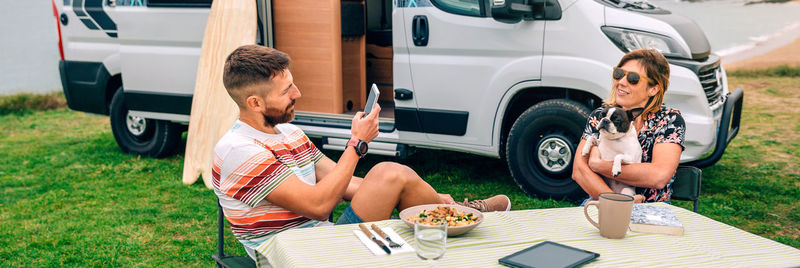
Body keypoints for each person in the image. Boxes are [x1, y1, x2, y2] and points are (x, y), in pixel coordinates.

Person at [212, 44, 511, 266]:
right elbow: (317, 206)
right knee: (388, 178)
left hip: (325, 239)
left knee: (390, 174)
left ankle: (451, 210)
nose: (298, 93)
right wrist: (356, 145)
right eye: (287, 90)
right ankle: (457, 215)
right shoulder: (240, 152)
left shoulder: (290, 134)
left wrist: (420, 193)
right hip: (295, 256)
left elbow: (346, 184)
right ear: (255, 102)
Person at [572, 48, 686, 204]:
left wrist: (598, 165)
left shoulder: (668, 120)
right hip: (602, 200)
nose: (621, 82)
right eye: (619, 74)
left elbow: (659, 176)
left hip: (651, 208)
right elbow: (579, 171)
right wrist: (618, 203)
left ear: (653, 89)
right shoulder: (602, 114)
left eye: (633, 78)